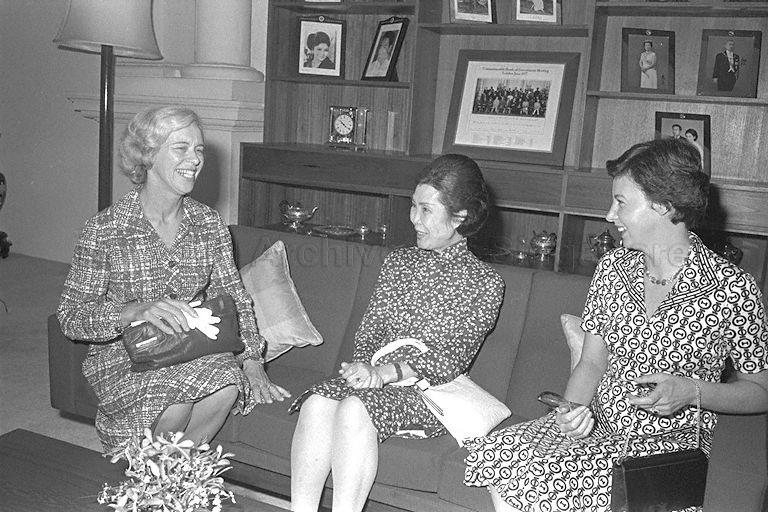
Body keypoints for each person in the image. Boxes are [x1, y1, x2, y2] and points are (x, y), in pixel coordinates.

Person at [464, 138, 768, 512]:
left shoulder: (732, 288)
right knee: (499, 452)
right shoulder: (613, 269)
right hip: (599, 427)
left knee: (541, 483)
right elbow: (592, 362)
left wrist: (692, 391)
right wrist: (572, 412)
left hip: (663, 451)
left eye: (621, 202)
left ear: (664, 205)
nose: (610, 215)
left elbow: (759, 389)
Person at [57, 106, 290, 452]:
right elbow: (71, 317)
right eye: (180, 148)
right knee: (177, 400)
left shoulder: (209, 224)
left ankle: (178, 482)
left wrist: (253, 359)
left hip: (191, 346)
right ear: (147, 156)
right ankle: (156, 486)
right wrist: (133, 311)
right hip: (125, 355)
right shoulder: (104, 230)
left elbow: (236, 298)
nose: (194, 159)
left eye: (198, 150)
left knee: (227, 382)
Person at [289, 154, 505, 512]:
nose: (413, 219)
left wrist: (384, 375)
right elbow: (371, 328)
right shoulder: (399, 262)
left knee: (355, 409)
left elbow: (451, 358)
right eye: (412, 206)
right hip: (376, 376)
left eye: (426, 210)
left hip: (431, 392)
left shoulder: (484, 282)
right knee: (316, 403)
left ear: (461, 217)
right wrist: (362, 366)